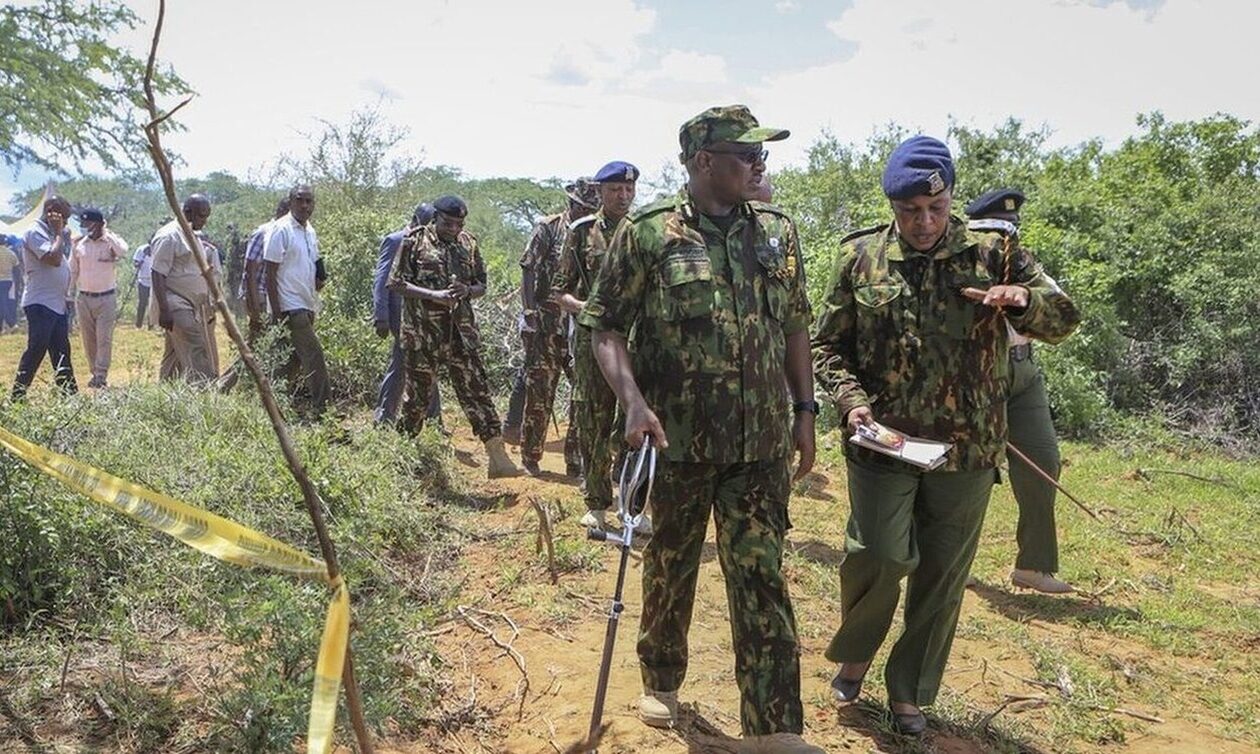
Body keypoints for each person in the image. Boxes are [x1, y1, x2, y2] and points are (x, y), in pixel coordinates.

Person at [812, 136, 1080, 735]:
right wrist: (852, 403)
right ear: (893, 207)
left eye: (935, 208)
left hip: (968, 447)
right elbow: (826, 345)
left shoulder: (996, 252)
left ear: (951, 197)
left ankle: (909, 692)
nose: (924, 222)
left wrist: (1022, 303)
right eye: (910, 212)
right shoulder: (860, 257)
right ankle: (857, 651)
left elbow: (1064, 316)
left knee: (941, 572)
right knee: (879, 554)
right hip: (883, 440)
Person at [580, 105, 822, 753]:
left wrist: (805, 411)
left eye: (761, 155)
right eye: (747, 155)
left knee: (761, 574)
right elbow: (604, 326)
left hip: (761, 443)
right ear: (704, 161)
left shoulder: (776, 231)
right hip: (676, 443)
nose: (759, 166)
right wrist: (632, 402)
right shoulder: (649, 234)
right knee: (670, 564)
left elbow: (795, 323)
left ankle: (773, 726)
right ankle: (661, 681)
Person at [965, 188, 1073, 594]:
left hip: (1023, 371)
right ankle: (947, 565)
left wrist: (1024, 300)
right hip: (976, 376)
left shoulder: (1023, 264)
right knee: (969, 474)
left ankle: (1035, 566)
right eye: (993, 234)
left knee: (1043, 463)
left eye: (1007, 234)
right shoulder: (960, 260)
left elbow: (1058, 306)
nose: (999, 244)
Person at [387, 194, 521, 479]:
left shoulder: (468, 244)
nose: (453, 229)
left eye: (459, 224)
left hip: (461, 333)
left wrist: (467, 290)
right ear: (435, 218)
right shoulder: (413, 241)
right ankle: (399, 457)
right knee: (418, 400)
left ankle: (497, 457)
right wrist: (433, 295)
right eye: (448, 223)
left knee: (477, 392)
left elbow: (481, 283)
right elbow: (395, 282)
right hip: (424, 334)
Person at [556, 162, 640, 529]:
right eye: (615, 190)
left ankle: (634, 505)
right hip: (595, 340)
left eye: (628, 189)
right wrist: (586, 307)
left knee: (635, 421)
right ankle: (597, 503)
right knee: (594, 417)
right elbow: (559, 290)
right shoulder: (581, 233)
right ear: (600, 193)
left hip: (638, 341)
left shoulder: (645, 231)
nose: (623, 196)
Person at [518, 178, 597, 476]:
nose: (587, 212)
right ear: (571, 204)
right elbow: (528, 269)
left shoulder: (598, 234)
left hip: (582, 327)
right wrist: (528, 312)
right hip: (547, 325)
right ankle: (531, 457)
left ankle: (575, 461)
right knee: (540, 392)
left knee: (584, 394)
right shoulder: (549, 228)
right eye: (583, 207)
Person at [373, 202, 442, 426]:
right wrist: (381, 316)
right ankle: (386, 417)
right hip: (400, 316)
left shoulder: (432, 244)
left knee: (424, 363)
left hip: (423, 316)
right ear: (416, 221)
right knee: (404, 364)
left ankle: (431, 419)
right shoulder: (396, 241)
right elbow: (383, 280)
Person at [264, 185, 330, 418]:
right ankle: (324, 410)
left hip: (307, 302)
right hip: (290, 306)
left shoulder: (309, 230)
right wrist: (276, 310)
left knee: (289, 362)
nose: (305, 206)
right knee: (314, 356)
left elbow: (313, 262)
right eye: (300, 200)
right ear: (291, 202)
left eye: (309, 201)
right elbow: (269, 273)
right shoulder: (280, 230)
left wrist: (319, 278)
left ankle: (273, 406)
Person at [11, 195, 78, 398]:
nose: (65, 223)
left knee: (61, 351)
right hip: (40, 304)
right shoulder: (34, 231)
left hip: (55, 304)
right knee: (36, 349)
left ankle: (70, 396)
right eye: (63, 218)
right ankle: (18, 395)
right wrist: (58, 233)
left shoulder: (49, 233)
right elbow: (53, 259)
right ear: (50, 211)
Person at [151, 195, 217, 383]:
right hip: (176, 305)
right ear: (188, 212)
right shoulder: (169, 236)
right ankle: (205, 393)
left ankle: (165, 398)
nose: (205, 221)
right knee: (197, 349)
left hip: (193, 305)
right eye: (202, 216)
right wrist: (164, 310)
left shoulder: (192, 235)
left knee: (174, 357)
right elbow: (157, 273)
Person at [69, 208, 127, 387]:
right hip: (84, 298)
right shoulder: (79, 244)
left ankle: (101, 374)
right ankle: (94, 372)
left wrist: (106, 233)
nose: (85, 228)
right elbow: (73, 270)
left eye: (88, 224)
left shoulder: (111, 243)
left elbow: (123, 251)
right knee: (88, 339)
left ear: (98, 224)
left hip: (106, 298)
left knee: (104, 338)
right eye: (83, 224)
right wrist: (69, 294)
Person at [132, 231, 157, 329]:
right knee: (142, 303)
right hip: (143, 280)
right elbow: (135, 263)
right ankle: (138, 324)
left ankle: (151, 324)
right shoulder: (141, 250)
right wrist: (141, 260)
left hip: (155, 281)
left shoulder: (159, 249)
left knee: (153, 304)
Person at [0, 237, 19, 332]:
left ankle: (11, 323)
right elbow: (16, 268)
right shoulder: (11, 253)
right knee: (3, 301)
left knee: (2, 303)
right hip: (8, 281)